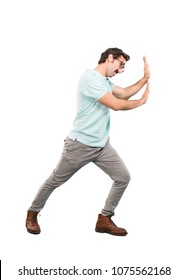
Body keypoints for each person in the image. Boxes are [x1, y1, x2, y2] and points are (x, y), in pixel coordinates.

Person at [26, 47, 150, 236]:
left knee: (123, 177)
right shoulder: (90, 79)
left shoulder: (104, 82)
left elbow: (124, 93)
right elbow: (116, 104)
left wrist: (144, 78)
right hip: (80, 145)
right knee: (55, 181)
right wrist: (141, 102)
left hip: (101, 146)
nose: (121, 70)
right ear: (109, 58)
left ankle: (104, 219)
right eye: (120, 65)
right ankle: (32, 212)